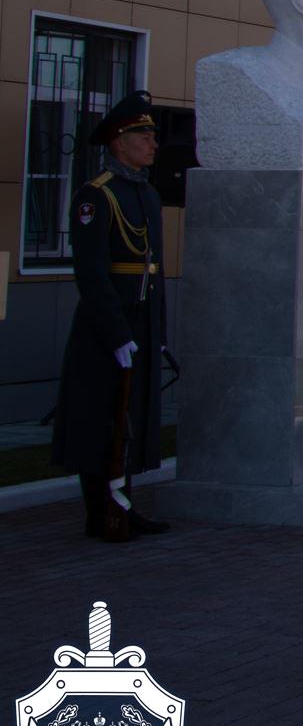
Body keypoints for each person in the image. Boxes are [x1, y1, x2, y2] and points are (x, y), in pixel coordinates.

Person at [51, 91, 172, 543]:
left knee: (132, 416)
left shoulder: (146, 194)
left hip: (140, 321)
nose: (153, 143)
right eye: (144, 135)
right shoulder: (96, 195)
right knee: (101, 416)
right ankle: (100, 510)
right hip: (107, 326)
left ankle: (123, 504)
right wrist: (116, 332)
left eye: (153, 135)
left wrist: (157, 330)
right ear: (120, 141)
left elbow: (153, 269)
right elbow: (92, 272)